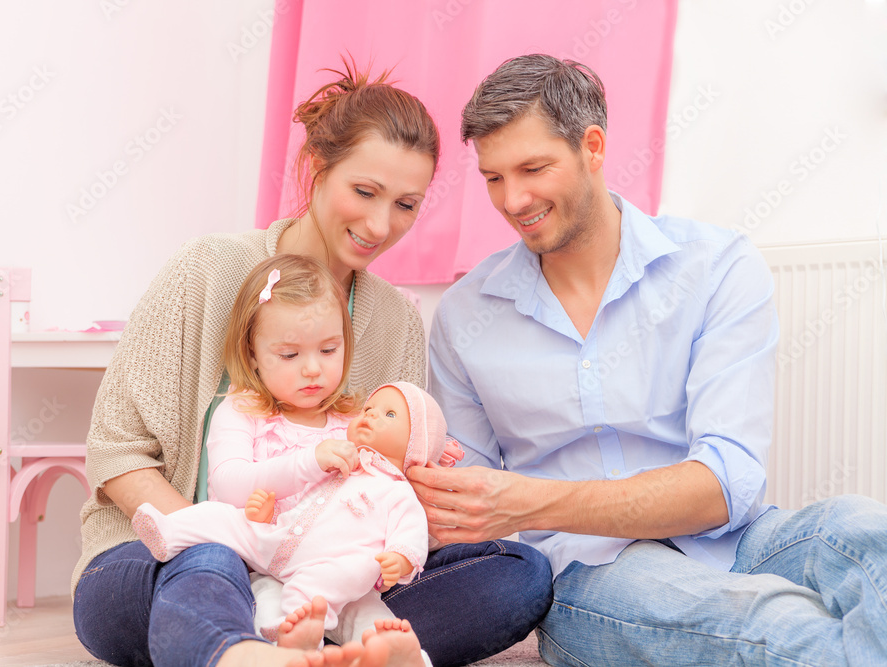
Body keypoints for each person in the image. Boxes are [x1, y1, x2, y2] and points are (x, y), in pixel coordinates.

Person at [410, 53, 887, 666]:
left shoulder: (715, 266)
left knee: (864, 528)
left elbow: (722, 486)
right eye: (493, 177)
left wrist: (525, 499)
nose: (513, 199)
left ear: (593, 146)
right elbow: (464, 508)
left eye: (534, 168)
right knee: (774, 624)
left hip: (734, 539)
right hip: (588, 574)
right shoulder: (465, 315)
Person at [72, 59, 552, 667]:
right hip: (171, 559)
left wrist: (420, 477)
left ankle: (313, 640)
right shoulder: (205, 272)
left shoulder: (394, 320)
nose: (380, 225)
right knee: (209, 559)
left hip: (322, 572)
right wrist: (240, 547)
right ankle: (248, 648)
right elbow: (117, 453)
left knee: (520, 571)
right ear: (317, 169)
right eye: (364, 192)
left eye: (406, 205)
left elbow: (389, 474)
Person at [129, 254, 456, 665]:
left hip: (340, 565)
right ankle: (175, 534)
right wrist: (309, 461)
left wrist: (427, 453)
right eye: (289, 355)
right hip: (263, 556)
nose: (313, 369)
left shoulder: (354, 421)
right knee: (261, 587)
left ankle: (398, 656)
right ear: (252, 354)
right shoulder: (242, 411)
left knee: (366, 612)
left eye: (329, 349)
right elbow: (228, 486)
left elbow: (389, 485)